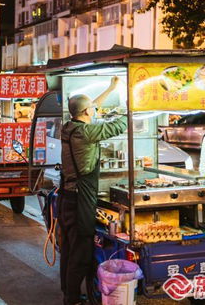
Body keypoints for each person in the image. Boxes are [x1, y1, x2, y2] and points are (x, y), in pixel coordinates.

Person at [59, 76, 127, 305]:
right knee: (81, 252)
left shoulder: (69, 127)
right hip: (79, 200)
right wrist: (130, 108)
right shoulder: (87, 133)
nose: (94, 111)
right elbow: (119, 126)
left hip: (68, 197)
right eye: (91, 109)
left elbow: (90, 107)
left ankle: (68, 292)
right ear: (87, 112)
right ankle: (72, 299)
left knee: (69, 249)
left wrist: (112, 88)